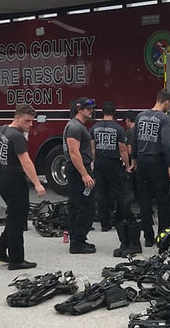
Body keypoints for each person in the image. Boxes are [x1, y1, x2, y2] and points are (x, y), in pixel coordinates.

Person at [0, 103, 45, 270]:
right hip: (14, 181)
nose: (30, 125)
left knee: (15, 216)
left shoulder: (1, 130)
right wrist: (37, 183)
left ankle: (0, 249)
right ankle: (16, 260)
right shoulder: (16, 136)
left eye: (32, 121)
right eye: (27, 121)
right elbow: (26, 162)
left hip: (2, 179)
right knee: (17, 220)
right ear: (17, 117)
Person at [131, 90, 170, 247]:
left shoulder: (140, 116)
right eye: (169, 105)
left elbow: (135, 140)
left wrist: (134, 160)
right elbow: (165, 144)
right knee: (163, 200)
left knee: (144, 200)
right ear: (166, 102)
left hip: (142, 161)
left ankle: (148, 237)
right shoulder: (165, 119)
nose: (169, 108)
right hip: (157, 162)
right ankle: (162, 236)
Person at [90, 101, 131, 232]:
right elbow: (123, 150)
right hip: (113, 162)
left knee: (101, 192)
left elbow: (92, 148)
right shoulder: (118, 128)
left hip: (100, 162)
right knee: (118, 192)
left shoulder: (94, 128)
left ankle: (104, 224)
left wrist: (93, 163)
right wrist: (127, 165)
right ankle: (119, 220)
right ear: (114, 113)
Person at [63, 97, 97, 254]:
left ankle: (78, 239)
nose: (91, 111)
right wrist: (84, 174)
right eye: (88, 108)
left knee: (78, 205)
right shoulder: (75, 127)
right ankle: (77, 242)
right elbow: (73, 153)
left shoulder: (78, 126)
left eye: (91, 108)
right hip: (78, 170)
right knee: (85, 206)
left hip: (79, 169)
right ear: (79, 109)